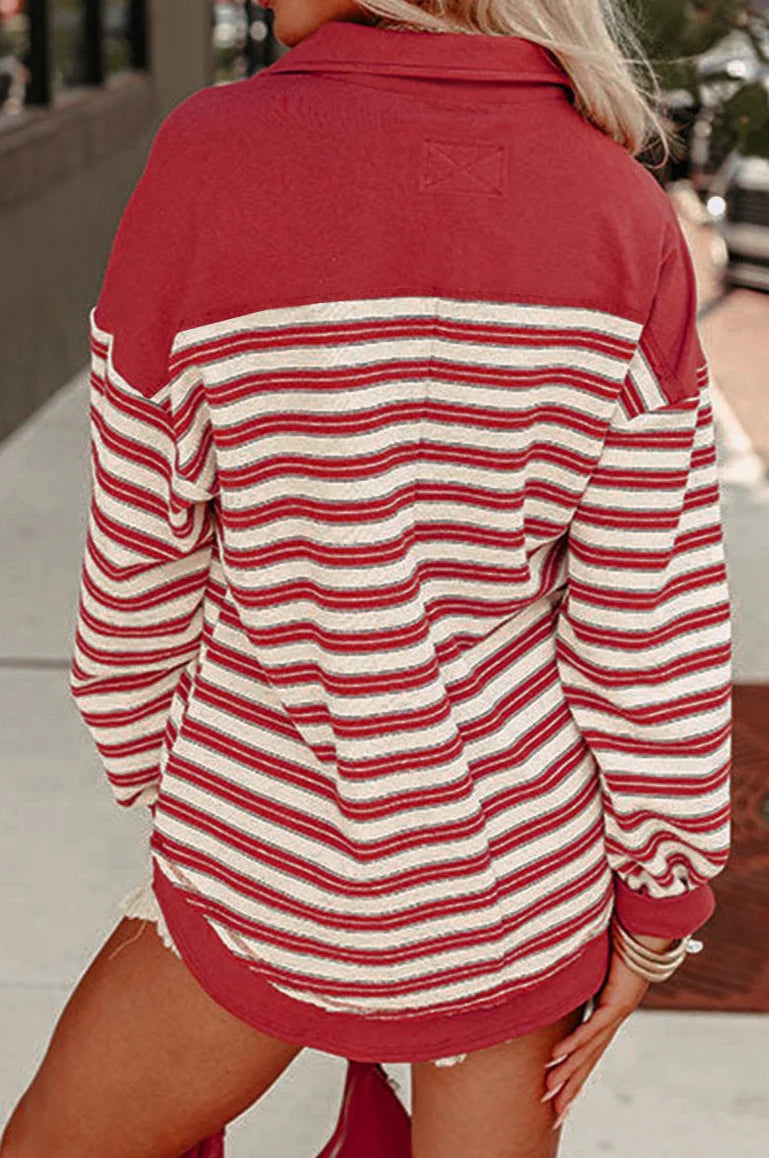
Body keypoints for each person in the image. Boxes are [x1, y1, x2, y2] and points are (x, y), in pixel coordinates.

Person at [1, 0, 732, 1156]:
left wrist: (152, 759)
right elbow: (649, 626)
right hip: (510, 887)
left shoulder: (212, 159)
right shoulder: (622, 210)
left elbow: (140, 551)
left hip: (259, 851)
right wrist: (657, 904)